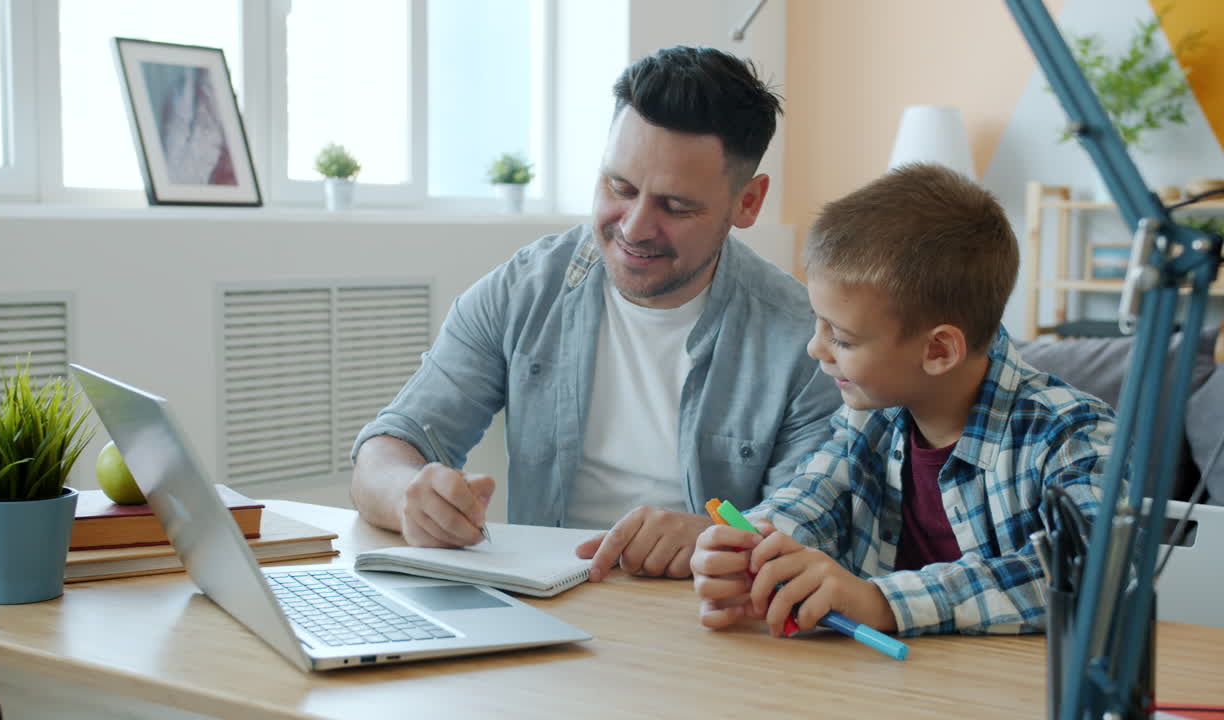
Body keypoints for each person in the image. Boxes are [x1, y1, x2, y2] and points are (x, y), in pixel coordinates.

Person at [349, 45, 841, 581]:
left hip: (705, 617)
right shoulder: (524, 290)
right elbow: (388, 447)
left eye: (675, 207)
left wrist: (716, 537)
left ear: (747, 202)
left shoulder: (805, 339)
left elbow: (819, 521)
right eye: (619, 187)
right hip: (539, 604)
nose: (633, 227)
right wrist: (408, 497)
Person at [690, 163, 1116, 637]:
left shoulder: (1072, 434)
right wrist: (751, 546)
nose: (816, 348)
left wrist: (880, 601)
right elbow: (813, 496)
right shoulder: (870, 416)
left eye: (843, 339)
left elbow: (1092, 572)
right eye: (819, 321)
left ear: (938, 350)